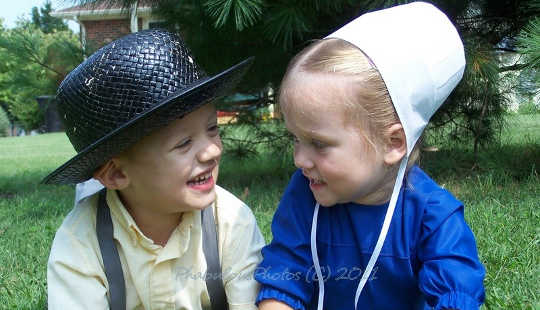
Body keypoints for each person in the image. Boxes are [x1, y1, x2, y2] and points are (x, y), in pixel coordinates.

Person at [254, 2, 485, 310]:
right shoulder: (304, 193)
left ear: (392, 143)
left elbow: (457, 295)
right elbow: (284, 273)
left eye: (319, 143)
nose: (300, 160)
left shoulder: (433, 217)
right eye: (296, 138)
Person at [45, 29, 265, 309]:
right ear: (116, 174)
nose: (212, 151)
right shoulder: (80, 241)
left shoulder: (232, 222)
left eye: (212, 129)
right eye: (184, 143)